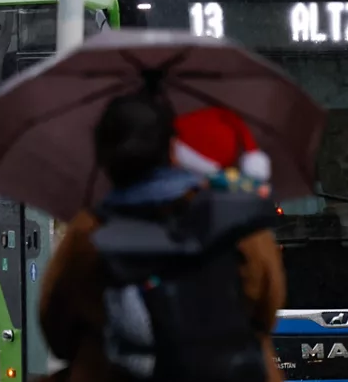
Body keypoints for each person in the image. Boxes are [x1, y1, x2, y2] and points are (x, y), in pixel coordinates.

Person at [38, 92, 286, 382]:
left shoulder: (88, 234)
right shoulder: (236, 222)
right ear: (172, 149)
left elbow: (56, 330)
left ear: (103, 159)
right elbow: (268, 308)